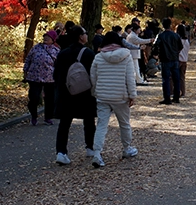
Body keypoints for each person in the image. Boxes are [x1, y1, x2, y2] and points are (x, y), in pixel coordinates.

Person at [89, 31, 138, 167]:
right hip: (120, 97)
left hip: (102, 96)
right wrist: (132, 95)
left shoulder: (98, 57)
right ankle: (127, 148)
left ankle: (97, 153)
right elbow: (130, 78)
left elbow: (93, 77)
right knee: (124, 123)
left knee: (101, 125)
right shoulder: (126, 56)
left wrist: (95, 91)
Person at [52, 26, 97, 166]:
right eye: (85, 33)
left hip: (65, 93)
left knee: (64, 124)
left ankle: (61, 152)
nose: (87, 35)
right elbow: (94, 75)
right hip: (84, 93)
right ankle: (90, 147)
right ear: (80, 37)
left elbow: (56, 74)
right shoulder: (88, 53)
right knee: (89, 120)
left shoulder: (62, 53)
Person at [22, 30, 59, 125]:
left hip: (50, 78)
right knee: (33, 98)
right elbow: (28, 59)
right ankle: (34, 116)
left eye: (48, 37)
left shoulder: (56, 51)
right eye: (45, 36)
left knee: (50, 99)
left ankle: (48, 118)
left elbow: (59, 65)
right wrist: (25, 71)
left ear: (53, 40)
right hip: (34, 77)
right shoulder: (36, 48)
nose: (46, 38)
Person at [153, 18, 183, 105]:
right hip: (174, 59)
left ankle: (167, 98)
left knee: (166, 79)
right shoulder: (175, 35)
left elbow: (155, 45)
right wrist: (176, 52)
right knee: (176, 79)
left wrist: (156, 54)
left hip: (165, 59)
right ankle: (176, 97)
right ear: (170, 25)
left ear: (163, 25)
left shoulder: (161, 36)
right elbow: (180, 46)